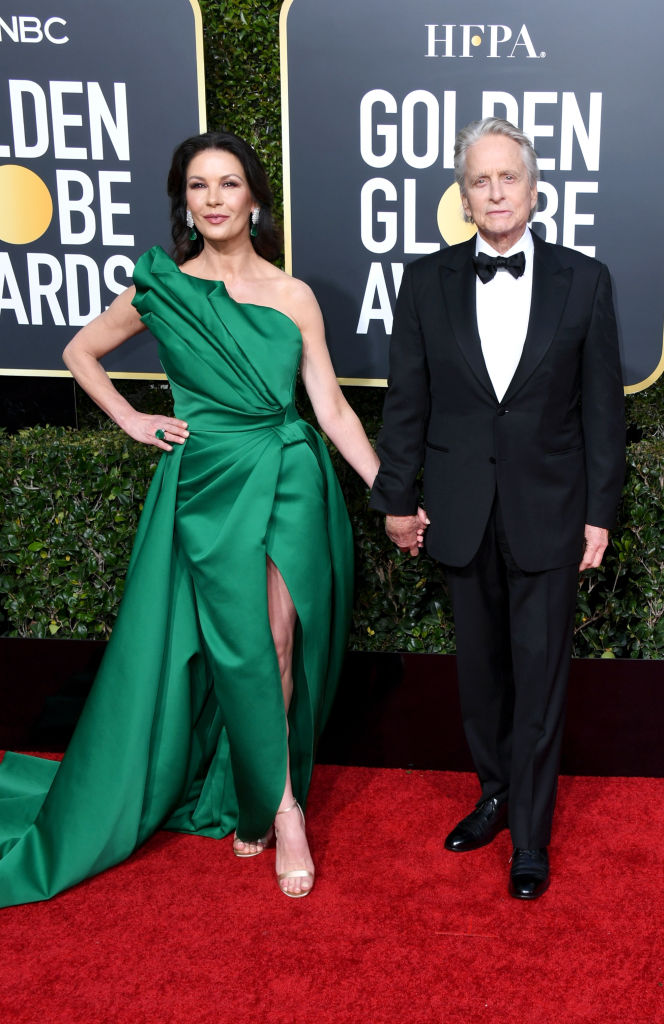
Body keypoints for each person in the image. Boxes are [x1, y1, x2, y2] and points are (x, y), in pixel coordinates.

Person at [0, 131, 384, 906]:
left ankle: (276, 805)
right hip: (208, 481)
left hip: (288, 475)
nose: (212, 198)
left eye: (228, 183)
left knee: (278, 641)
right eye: (198, 186)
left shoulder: (292, 294)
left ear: (253, 199)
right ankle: (269, 800)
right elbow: (80, 352)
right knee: (238, 648)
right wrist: (133, 420)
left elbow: (334, 410)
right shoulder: (163, 289)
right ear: (184, 201)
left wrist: (391, 492)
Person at [370, 117, 625, 899]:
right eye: (478, 180)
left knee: (540, 677)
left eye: (506, 177)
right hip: (458, 508)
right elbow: (407, 403)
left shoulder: (583, 279)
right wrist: (396, 499)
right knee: (479, 677)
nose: (494, 191)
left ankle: (532, 838)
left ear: (533, 186)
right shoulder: (425, 281)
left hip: (549, 511)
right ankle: (492, 795)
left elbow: (601, 412)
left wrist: (599, 512)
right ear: (462, 194)